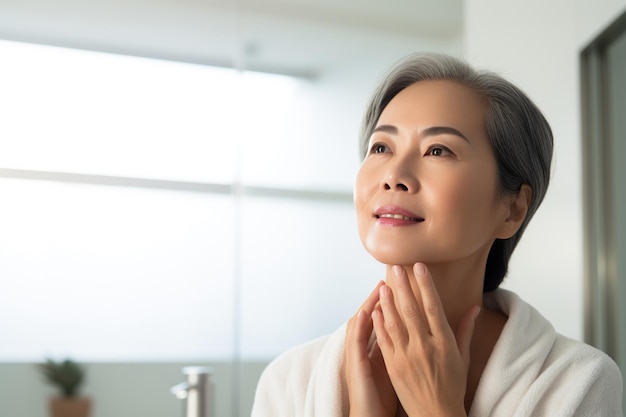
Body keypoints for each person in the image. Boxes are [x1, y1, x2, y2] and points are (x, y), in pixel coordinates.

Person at [250, 53, 623, 417]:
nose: (394, 174)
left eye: (438, 150)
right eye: (381, 147)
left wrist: (438, 411)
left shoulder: (578, 382)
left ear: (513, 209)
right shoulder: (289, 382)